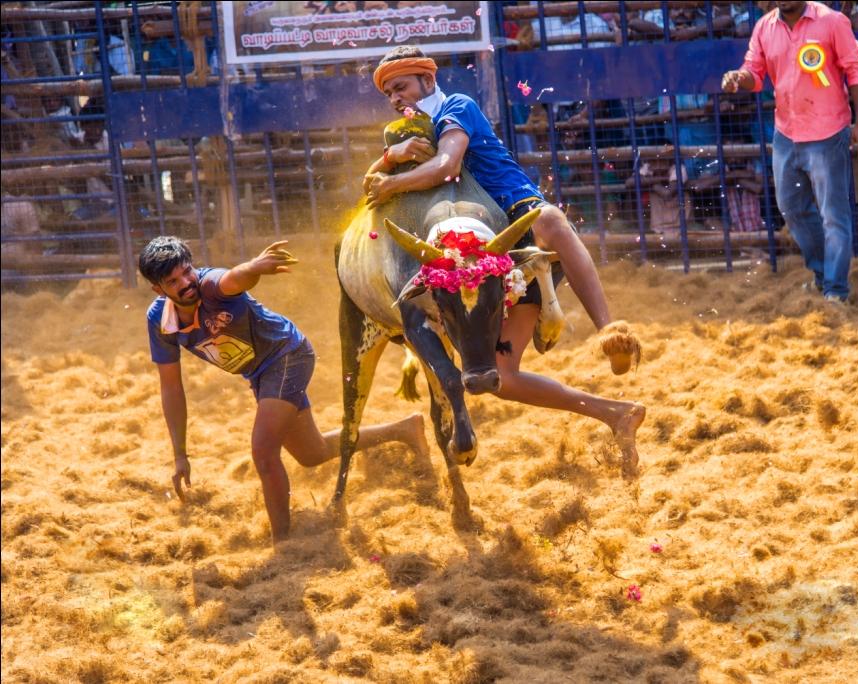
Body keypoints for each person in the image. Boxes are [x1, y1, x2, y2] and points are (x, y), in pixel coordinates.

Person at [362, 48, 646, 477]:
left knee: (548, 219)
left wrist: (392, 180)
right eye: (386, 94)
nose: (395, 99)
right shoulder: (400, 134)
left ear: (427, 79)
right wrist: (390, 157)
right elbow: (370, 183)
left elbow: (446, 164)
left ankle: (610, 332)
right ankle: (616, 414)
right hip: (473, 256)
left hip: (514, 218)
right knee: (502, 379)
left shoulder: (458, 107)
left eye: (400, 87)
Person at [140, 236, 428, 543]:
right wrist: (180, 454)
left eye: (187, 271)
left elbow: (233, 279)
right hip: (259, 374)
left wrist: (255, 267)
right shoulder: (159, 321)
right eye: (173, 281)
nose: (186, 283)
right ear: (158, 290)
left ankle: (283, 545)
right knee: (312, 453)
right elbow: (171, 388)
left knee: (263, 452)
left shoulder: (210, 284)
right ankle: (406, 429)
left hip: (288, 355)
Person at [722, 0, 858, 303]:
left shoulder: (832, 21)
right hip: (787, 133)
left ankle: (836, 291)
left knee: (834, 216)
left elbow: (856, 68)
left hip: (828, 131)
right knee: (791, 208)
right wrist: (739, 77)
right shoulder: (764, 26)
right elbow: (754, 71)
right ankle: (822, 276)